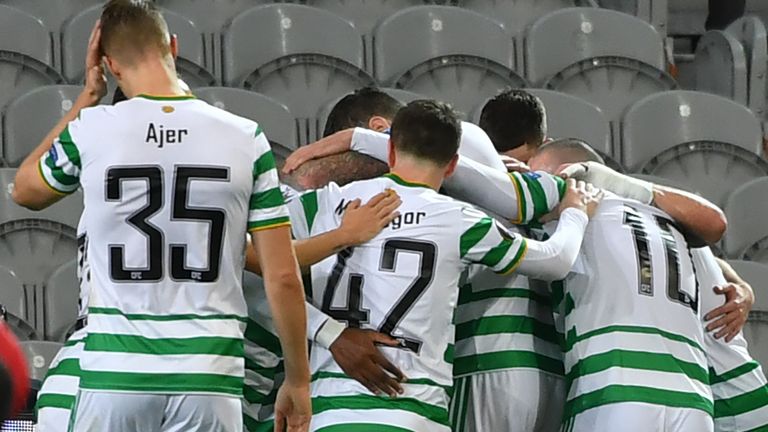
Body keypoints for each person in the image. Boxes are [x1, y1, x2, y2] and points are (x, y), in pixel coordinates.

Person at [11, 1, 311, 430]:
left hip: (116, 371)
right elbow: (282, 276)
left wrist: (87, 96)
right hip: (208, 373)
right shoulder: (246, 138)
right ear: (173, 45)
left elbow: (25, 190)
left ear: (110, 64)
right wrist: (298, 380)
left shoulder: (92, 130)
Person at [290, 100, 601, 431]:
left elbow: (249, 260)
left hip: (331, 412)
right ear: (452, 165)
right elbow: (555, 260)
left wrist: (329, 332)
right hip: (416, 411)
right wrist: (576, 212)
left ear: (391, 152)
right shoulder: (461, 220)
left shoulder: (323, 203)